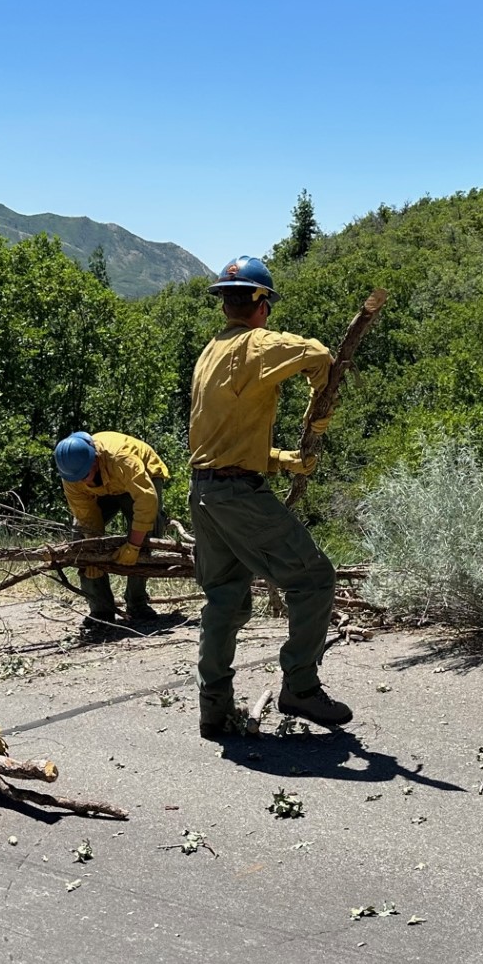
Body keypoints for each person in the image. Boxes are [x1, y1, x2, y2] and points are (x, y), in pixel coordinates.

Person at [188, 255, 352, 738]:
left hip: (205, 491)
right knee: (314, 579)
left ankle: (214, 708)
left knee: (225, 600)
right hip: (236, 493)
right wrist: (316, 408)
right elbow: (319, 355)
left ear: (225, 303)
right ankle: (300, 687)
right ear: (261, 304)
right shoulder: (254, 344)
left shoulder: (211, 351)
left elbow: (223, 438)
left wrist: (283, 459)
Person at [54, 430, 171, 638]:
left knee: (147, 533)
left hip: (141, 478)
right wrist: (92, 554)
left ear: (94, 460)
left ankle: (137, 603)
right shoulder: (72, 476)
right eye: (77, 478)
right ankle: (101, 610)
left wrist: (133, 546)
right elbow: (87, 519)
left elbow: (146, 501)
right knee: (80, 540)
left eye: (84, 475)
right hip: (106, 489)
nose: (82, 482)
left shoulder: (122, 458)